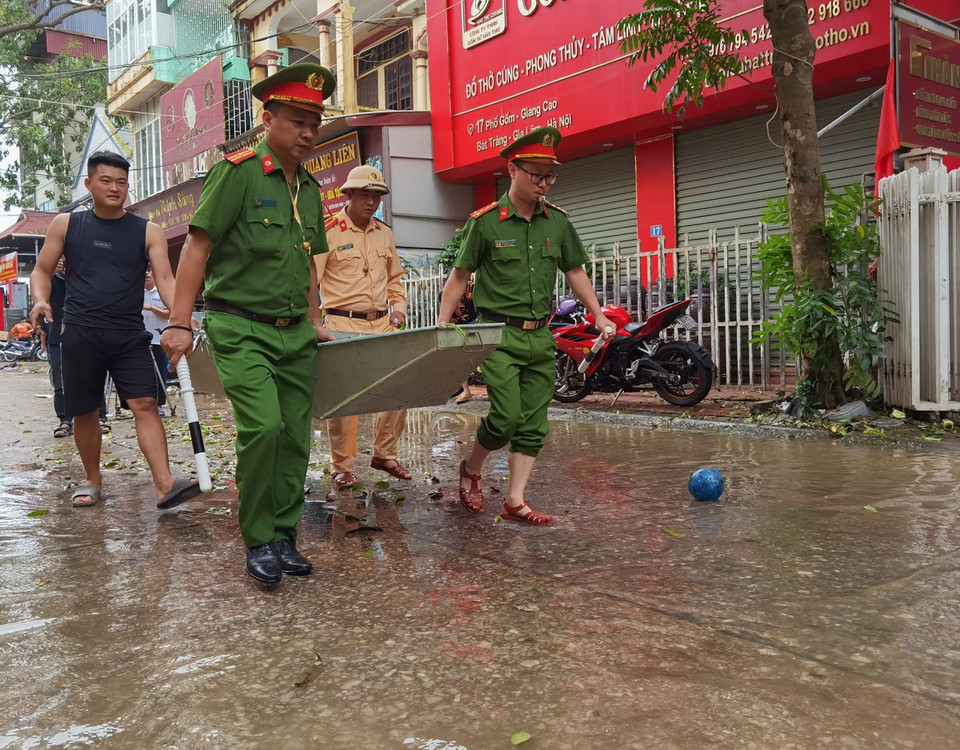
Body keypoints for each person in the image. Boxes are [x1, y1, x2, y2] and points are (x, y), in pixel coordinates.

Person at [161, 63, 337, 586]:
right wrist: (179, 322)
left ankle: (285, 537)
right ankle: (258, 538)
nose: (308, 132)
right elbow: (198, 246)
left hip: (295, 334)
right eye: (297, 120)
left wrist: (315, 317)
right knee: (263, 428)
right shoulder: (237, 172)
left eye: (315, 122)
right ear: (269, 119)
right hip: (240, 326)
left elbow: (307, 261)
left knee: (294, 437)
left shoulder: (308, 189)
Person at [436, 127, 615, 526]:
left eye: (550, 176)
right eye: (536, 175)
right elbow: (459, 276)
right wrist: (442, 325)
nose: (544, 183)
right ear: (512, 170)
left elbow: (576, 271)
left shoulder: (558, 222)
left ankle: (515, 500)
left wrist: (599, 314)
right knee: (506, 416)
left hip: (540, 335)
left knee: (534, 423)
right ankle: (473, 466)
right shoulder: (485, 223)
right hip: (499, 334)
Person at [29, 151, 202, 510]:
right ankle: (92, 480)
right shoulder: (66, 224)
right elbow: (41, 270)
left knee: (146, 403)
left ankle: (164, 484)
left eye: (121, 182)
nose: (114, 188)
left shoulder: (147, 230)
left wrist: (181, 315)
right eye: (106, 181)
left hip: (128, 334)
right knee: (85, 411)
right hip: (80, 332)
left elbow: (166, 279)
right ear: (89, 184)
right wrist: (40, 299)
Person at [317, 165, 410, 490]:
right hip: (341, 324)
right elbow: (308, 282)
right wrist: (314, 322)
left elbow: (396, 278)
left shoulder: (385, 232)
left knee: (401, 385)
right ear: (350, 195)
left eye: (377, 196)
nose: (372, 202)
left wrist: (398, 309)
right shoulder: (328, 231)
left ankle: (385, 454)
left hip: (381, 323)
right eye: (366, 195)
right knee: (347, 401)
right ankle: (342, 467)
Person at [43, 258, 111, 438]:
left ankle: (101, 417)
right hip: (57, 336)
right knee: (60, 380)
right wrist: (50, 270)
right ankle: (65, 420)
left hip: (86, 335)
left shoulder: (86, 280)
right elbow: (40, 282)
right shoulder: (53, 280)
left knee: (93, 377)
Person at [142, 267, 169, 414]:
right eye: (144, 270)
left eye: (149, 270)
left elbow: (169, 313)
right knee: (143, 374)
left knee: (160, 373)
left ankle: (159, 404)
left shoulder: (161, 292)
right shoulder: (136, 293)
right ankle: (146, 404)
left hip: (159, 339)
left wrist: (151, 308)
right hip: (140, 340)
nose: (146, 274)